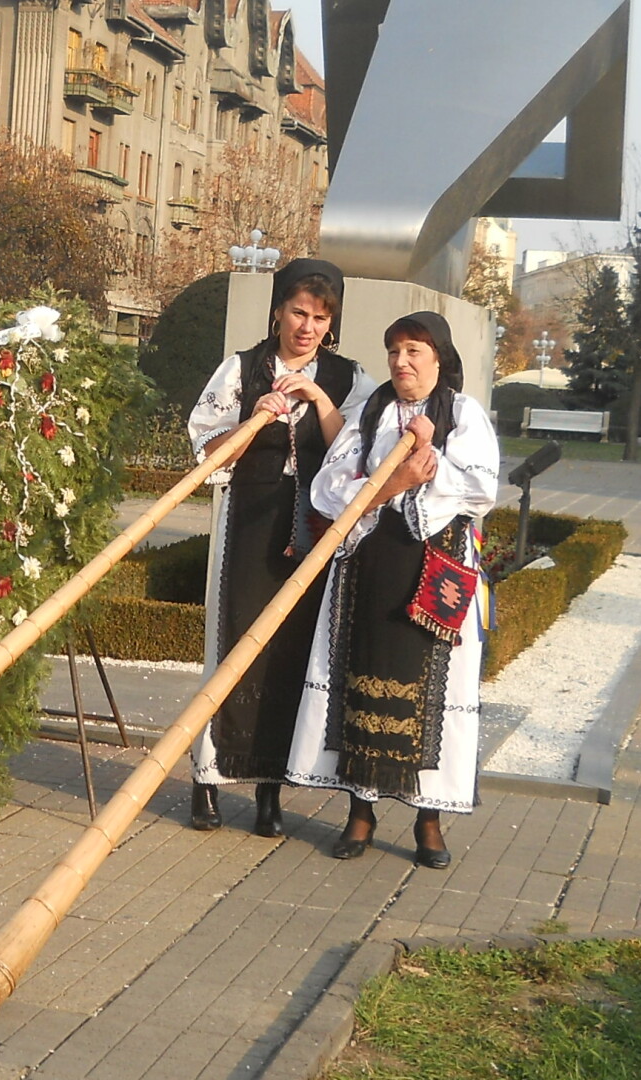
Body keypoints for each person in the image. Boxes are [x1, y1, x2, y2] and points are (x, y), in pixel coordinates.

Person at [287, 311, 499, 869]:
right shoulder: (372, 411)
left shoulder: (462, 413)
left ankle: (428, 821)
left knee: (429, 693)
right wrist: (388, 481)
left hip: (435, 570)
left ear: (438, 358)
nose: (401, 363)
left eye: (414, 352)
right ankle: (361, 810)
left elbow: (481, 486)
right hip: (370, 566)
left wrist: (430, 469)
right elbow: (328, 485)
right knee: (361, 679)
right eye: (394, 352)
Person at [185, 259, 378, 836]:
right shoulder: (242, 368)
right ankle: (208, 779)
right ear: (277, 310)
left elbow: (362, 450)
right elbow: (207, 448)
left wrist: (319, 399)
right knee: (233, 645)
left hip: (314, 535)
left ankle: (271, 788)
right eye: (298, 312)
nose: (308, 326)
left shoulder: (348, 378)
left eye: (321, 317)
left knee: (294, 652)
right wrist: (253, 415)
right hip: (249, 525)